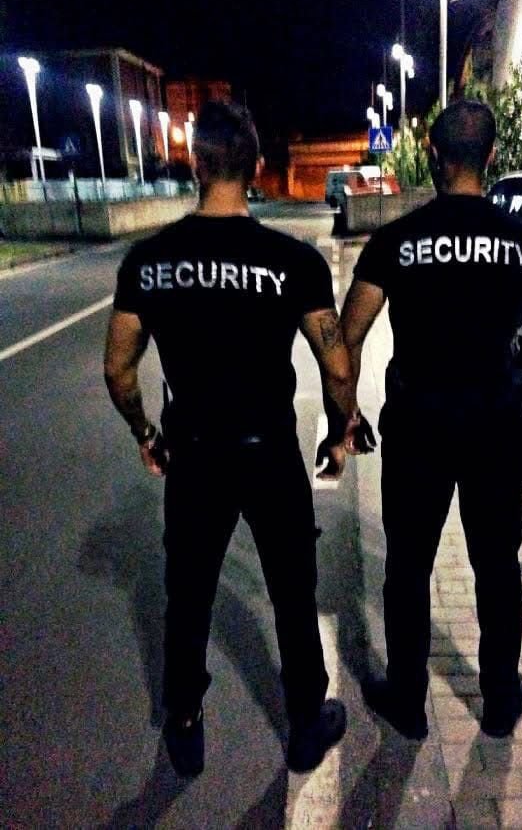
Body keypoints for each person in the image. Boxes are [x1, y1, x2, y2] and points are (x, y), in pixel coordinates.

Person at [104, 101, 359, 777]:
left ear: (195, 164)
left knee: (188, 594)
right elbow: (337, 366)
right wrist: (340, 433)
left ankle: (185, 723)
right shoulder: (292, 260)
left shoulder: (149, 260)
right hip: (268, 451)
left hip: (194, 451)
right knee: (293, 590)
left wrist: (146, 432)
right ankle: (305, 722)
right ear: (255, 167)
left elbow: (118, 368)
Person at [340, 100, 522, 740]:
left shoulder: (396, 240)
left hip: (417, 425)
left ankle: (408, 699)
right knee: (497, 566)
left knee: (408, 567)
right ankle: (500, 699)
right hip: (494, 425)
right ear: (492, 156)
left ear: (432, 153)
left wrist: (348, 415)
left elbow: (348, 336)